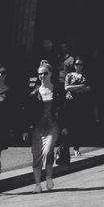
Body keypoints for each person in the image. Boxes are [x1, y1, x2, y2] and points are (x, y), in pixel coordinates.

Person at [28, 61, 64, 193]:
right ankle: (37, 184)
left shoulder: (57, 89)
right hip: (38, 127)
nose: (42, 76)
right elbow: (29, 112)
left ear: (50, 74)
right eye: (40, 74)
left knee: (48, 151)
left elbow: (63, 109)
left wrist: (64, 126)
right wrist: (28, 128)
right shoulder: (35, 91)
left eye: (45, 73)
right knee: (36, 155)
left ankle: (48, 177)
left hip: (53, 126)